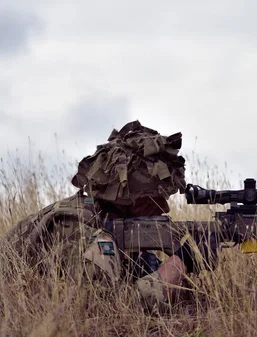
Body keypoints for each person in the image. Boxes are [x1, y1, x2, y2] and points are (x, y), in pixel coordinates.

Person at [5, 120, 202, 311]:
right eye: (154, 198)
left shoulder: (110, 225)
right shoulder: (87, 231)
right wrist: (179, 262)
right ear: (127, 198)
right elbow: (107, 308)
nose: (165, 208)